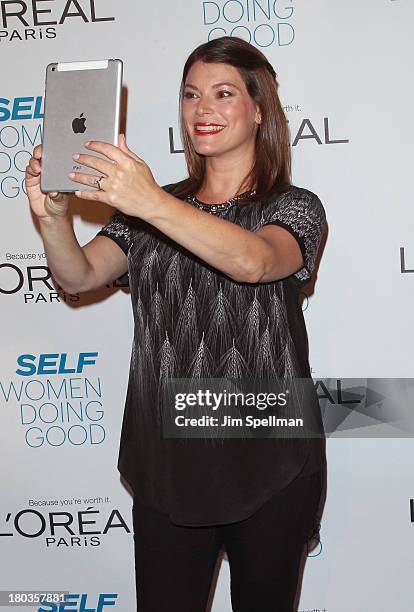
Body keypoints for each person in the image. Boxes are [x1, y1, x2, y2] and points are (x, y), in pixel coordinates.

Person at [26, 36, 327, 612]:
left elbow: (255, 261)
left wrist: (148, 201)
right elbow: (81, 274)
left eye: (222, 93)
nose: (202, 109)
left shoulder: (293, 206)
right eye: (190, 95)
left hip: (269, 461)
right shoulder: (149, 208)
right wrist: (53, 218)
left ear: (259, 109)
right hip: (167, 462)